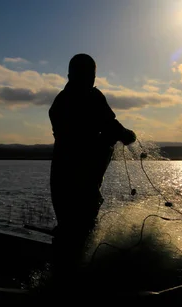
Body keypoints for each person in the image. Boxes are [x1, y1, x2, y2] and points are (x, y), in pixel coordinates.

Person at [48, 53, 136, 272]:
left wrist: (117, 133)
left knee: (70, 227)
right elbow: (110, 126)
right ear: (72, 74)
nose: (90, 79)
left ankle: (62, 275)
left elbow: (106, 126)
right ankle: (76, 279)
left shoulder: (60, 101)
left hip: (62, 175)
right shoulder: (89, 97)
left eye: (92, 75)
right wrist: (127, 135)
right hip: (77, 175)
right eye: (86, 74)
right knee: (80, 226)